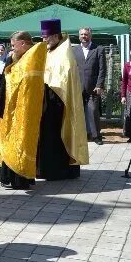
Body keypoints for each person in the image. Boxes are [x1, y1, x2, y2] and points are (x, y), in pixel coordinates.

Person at [0, 31, 46, 189]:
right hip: (9, 106)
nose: (12, 49)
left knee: (22, 140)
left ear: (23, 43)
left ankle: (20, 178)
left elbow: (21, 80)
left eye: (13, 45)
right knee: (7, 138)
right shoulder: (15, 57)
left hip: (24, 109)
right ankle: (6, 175)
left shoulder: (34, 56)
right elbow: (7, 79)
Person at [39, 20, 89, 180]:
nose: (43, 40)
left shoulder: (64, 52)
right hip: (46, 100)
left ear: (54, 36)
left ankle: (58, 171)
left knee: (56, 137)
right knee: (46, 137)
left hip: (59, 103)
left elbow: (63, 78)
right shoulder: (49, 50)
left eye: (45, 37)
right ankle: (46, 168)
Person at [72, 27, 107, 144]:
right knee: (78, 112)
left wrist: (99, 85)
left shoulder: (98, 49)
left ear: (90, 36)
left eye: (86, 34)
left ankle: (96, 136)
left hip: (93, 87)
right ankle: (81, 136)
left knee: (92, 110)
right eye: (81, 34)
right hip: (78, 87)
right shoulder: (74, 50)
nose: (83, 36)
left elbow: (102, 69)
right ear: (79, 36)